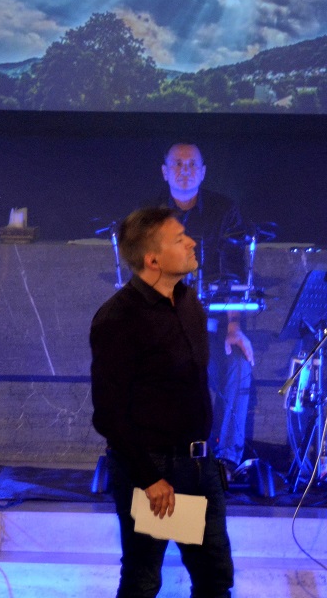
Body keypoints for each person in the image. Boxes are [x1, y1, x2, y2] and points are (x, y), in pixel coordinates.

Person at [90, 206, 234, 598]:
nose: (191, 242)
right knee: (143, 579)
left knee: (215, 577)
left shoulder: (189, 302)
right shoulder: (119, 318)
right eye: (179, 239)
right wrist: (150, 478)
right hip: (153, 470)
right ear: (152, 259)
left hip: (199, 466)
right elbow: (109, 413)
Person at [142, 143, 252, 467]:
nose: (185, 170)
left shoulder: (225, 210)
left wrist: (234, 328)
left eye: (192, 165)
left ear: (203, 172)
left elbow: (236, 271)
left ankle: (227, 461)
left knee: (239, 363)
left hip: (213, 328)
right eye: (178, 164)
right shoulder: (149, 212)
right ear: (165, 171)